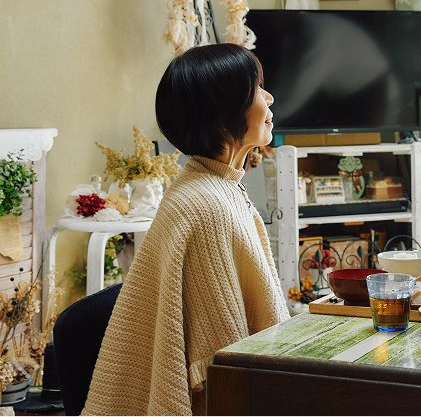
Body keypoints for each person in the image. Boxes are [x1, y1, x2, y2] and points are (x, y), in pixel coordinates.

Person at [83, 44, 289, 415]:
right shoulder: (207, 205)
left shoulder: (218, 186)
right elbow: (220, 372)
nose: (269, 96)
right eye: (257, 88)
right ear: (224, 112)